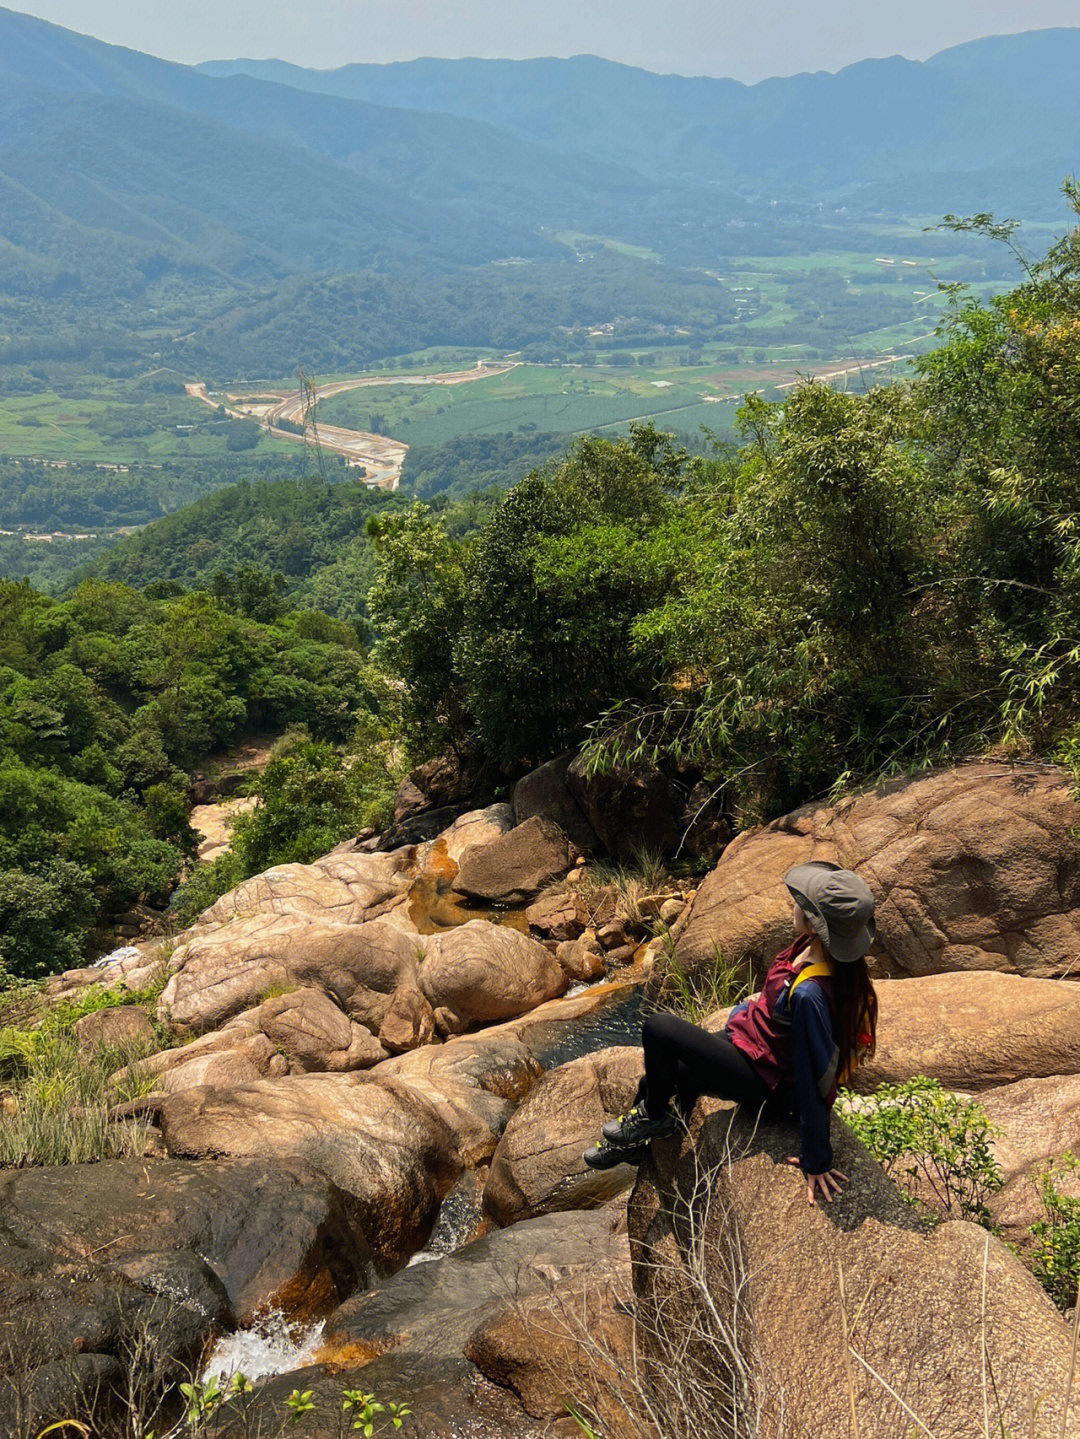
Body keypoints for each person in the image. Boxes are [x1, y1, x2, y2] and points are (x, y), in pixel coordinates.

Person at [583, 860, 878, 1205]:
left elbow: (816, 1073)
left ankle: (653, 1118)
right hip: (752, 1042)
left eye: (803, 904)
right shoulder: (808, 946)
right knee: (659, 1079)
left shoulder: (811, 994)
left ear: (816, 923)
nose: (794, 905)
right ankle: (635, 1146)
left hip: (767, 1078)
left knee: (659, 1028)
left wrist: (818, 1158)